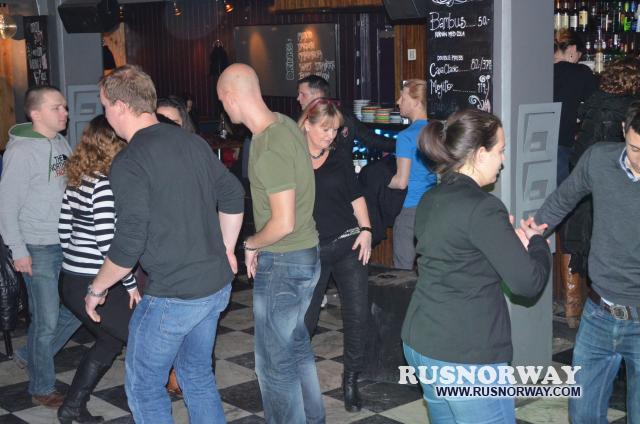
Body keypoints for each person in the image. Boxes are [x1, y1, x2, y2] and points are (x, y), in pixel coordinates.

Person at [85, 65, 245, 424]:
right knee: (196, 375)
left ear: (121, 107)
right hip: (215, 287)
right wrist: (225, 249)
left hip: (174, 296)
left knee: (144, 387)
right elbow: (233, 193)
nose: (105, 115)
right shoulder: (191, 142)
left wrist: (96, 289)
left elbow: (129, 243)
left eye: (105, 106)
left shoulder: (129, 161)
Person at [402, 109, 551, 423]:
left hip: (422, 343)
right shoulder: (483, 208)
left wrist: (504, 244)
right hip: (465, 355)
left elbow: (458, 259)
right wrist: (537, 243)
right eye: (500, 151)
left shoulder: (431, 197)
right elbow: (528, 283)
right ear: (481, 154)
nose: (503, 160)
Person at [218, 63, 324, 424]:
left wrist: (251, 243)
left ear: (231, 96)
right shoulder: (284, 124)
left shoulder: (268, 147)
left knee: (274, 367)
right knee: (297, 349)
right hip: (305, 254)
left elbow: (282, 222)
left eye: (222, 101)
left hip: (284, 262)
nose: (223, 109)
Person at [534, 101, 640, 424]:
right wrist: (531, 234)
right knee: (582, 415)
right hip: (598, 314)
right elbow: (562, 200)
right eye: (635, 149)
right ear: (624, 130)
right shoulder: (598, 160)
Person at [0, 86, 81, 408]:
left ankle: (28, 353)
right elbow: (6, 205)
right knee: (45, 320)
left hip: (67, 241)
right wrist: (18, 250)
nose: (65, 113)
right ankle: (42, 386)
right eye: (57, 108)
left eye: (64, 107)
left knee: (80, 307)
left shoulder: (60, 141)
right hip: (37, 246)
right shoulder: (20, 152)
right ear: (35, 114)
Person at [57, 115, 139, 424]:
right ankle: (147, 406)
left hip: (71, 279)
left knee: (109, 341)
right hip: (95, 282)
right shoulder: (104, 185)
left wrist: (77, 255)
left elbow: (63, 231)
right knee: (141, 338)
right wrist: (130, 284)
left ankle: (72, 407)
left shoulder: (79, 180)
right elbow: (109, 245)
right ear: (113, 144)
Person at [299, 98, 372, 412]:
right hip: (309, 249)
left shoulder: (340, 156)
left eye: (334, 130)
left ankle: (351, 380)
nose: (331, 135)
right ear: (307, 124)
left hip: (347, 244)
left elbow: (356, 196)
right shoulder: (292, 158)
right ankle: (298, 380)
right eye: (325, 129)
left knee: (357, 315)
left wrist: (366, 229)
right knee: (305, 321)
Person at [387, 79, 437, 270]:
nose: (398, 101)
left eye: (403, 97)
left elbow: (401, 182)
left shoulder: (405, 137)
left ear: (416, 102)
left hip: (410, 210)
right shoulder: (437, 131)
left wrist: (377, 180)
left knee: (403, 271)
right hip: (433, 207)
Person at [297, 75, 395, 158]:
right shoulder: (299, 120)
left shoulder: (345, 117)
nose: (298, 98)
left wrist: (402, 145)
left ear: (317, 95)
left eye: (302, 94)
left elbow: (371, 140)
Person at [553, 29, 598, 186]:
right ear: (572, 49)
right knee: (565, 192)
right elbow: (595, 102)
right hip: (563, 141)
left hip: (536, 141)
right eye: (579, 55)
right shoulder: (581, 71)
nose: (578, 59)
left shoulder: (540, 69)